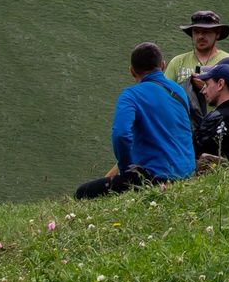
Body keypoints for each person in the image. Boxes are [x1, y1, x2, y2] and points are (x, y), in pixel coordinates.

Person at [76, 42, 195, 199]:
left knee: (82, 192)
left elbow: (121, 134)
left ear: (132, 71)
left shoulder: (131, 95)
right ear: (163, 66)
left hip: (155, 178)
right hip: (186, 175)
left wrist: (127, 171)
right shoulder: (178, 90)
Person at [166, 11, 229, 97]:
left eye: (206, 32)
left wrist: (205, 88)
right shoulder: (177, 62)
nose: (200, 36)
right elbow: (164, 96)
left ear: (217, 33)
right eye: (196, 32)